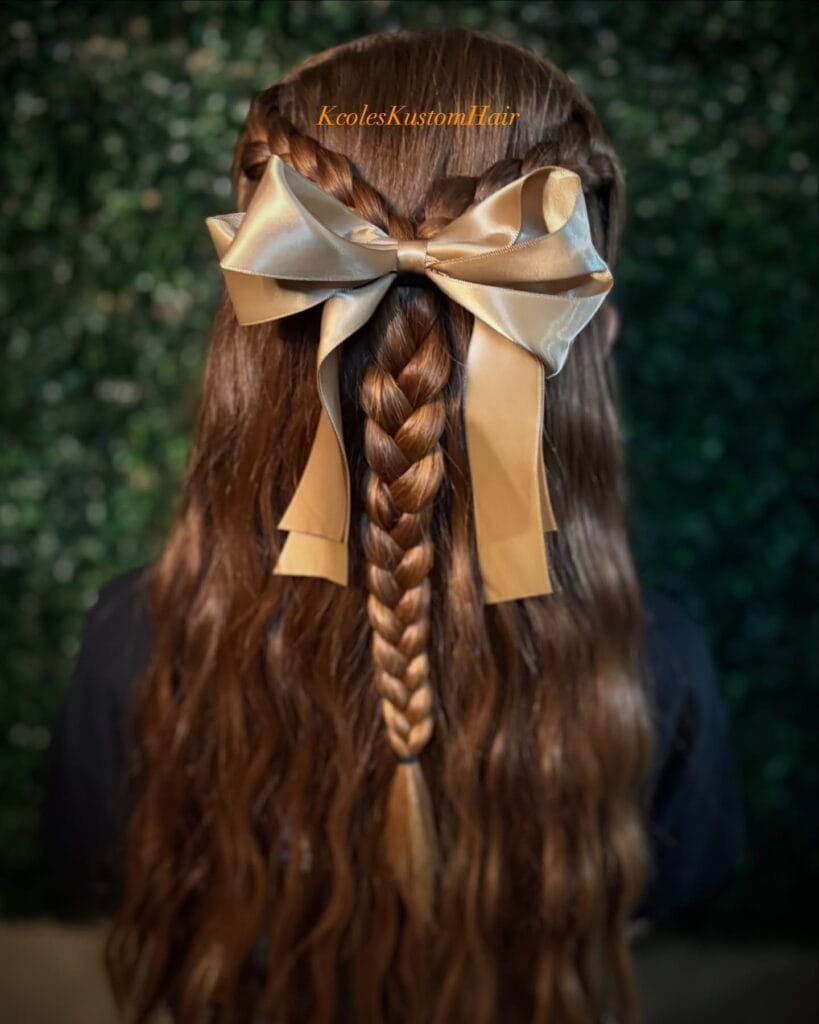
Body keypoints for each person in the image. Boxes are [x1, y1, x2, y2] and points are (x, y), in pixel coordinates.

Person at [42, 29, 745, 1024]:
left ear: (256, 310)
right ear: (588, 327)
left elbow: (99, 871)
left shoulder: (133, 642)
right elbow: (642, 908)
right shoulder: (657, 663)